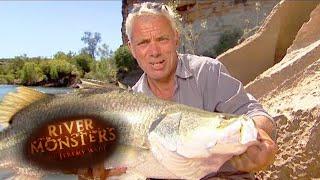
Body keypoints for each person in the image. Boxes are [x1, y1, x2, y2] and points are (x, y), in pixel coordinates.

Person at [79, 2, 277, 179]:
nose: (154, 51)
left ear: (175, 38)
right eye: (143, 43)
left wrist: (260, 135)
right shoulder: (130, 105)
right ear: (131, 48)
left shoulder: (207, 71)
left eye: (162, 39)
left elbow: (255, 113)